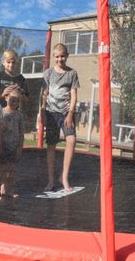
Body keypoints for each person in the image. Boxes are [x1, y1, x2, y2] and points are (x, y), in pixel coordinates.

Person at [40, 43, 80, 192]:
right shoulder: (48, 73)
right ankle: (51, 180)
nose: (60, 59)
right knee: (51, 145)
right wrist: (43, 111)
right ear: (53, 57)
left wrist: (70, 112)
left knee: (71, 140)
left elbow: (74, 95)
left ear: (67, 56)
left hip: (65, 113)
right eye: (57, 57)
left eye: (62, 56)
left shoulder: (72, 73)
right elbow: (44, 94)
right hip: (51, 113)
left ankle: (64, 177)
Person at [0, 89, 24, 199]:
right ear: (6, 98)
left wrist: (20, 147)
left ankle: (6, 189)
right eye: (12, 100)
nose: (14, 103)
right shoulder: (1, 112)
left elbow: (21, 133)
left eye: (17, 101)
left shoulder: (19, 115)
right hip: (3, 145)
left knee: (11, 170)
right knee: (1, 170)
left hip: (14, 146)